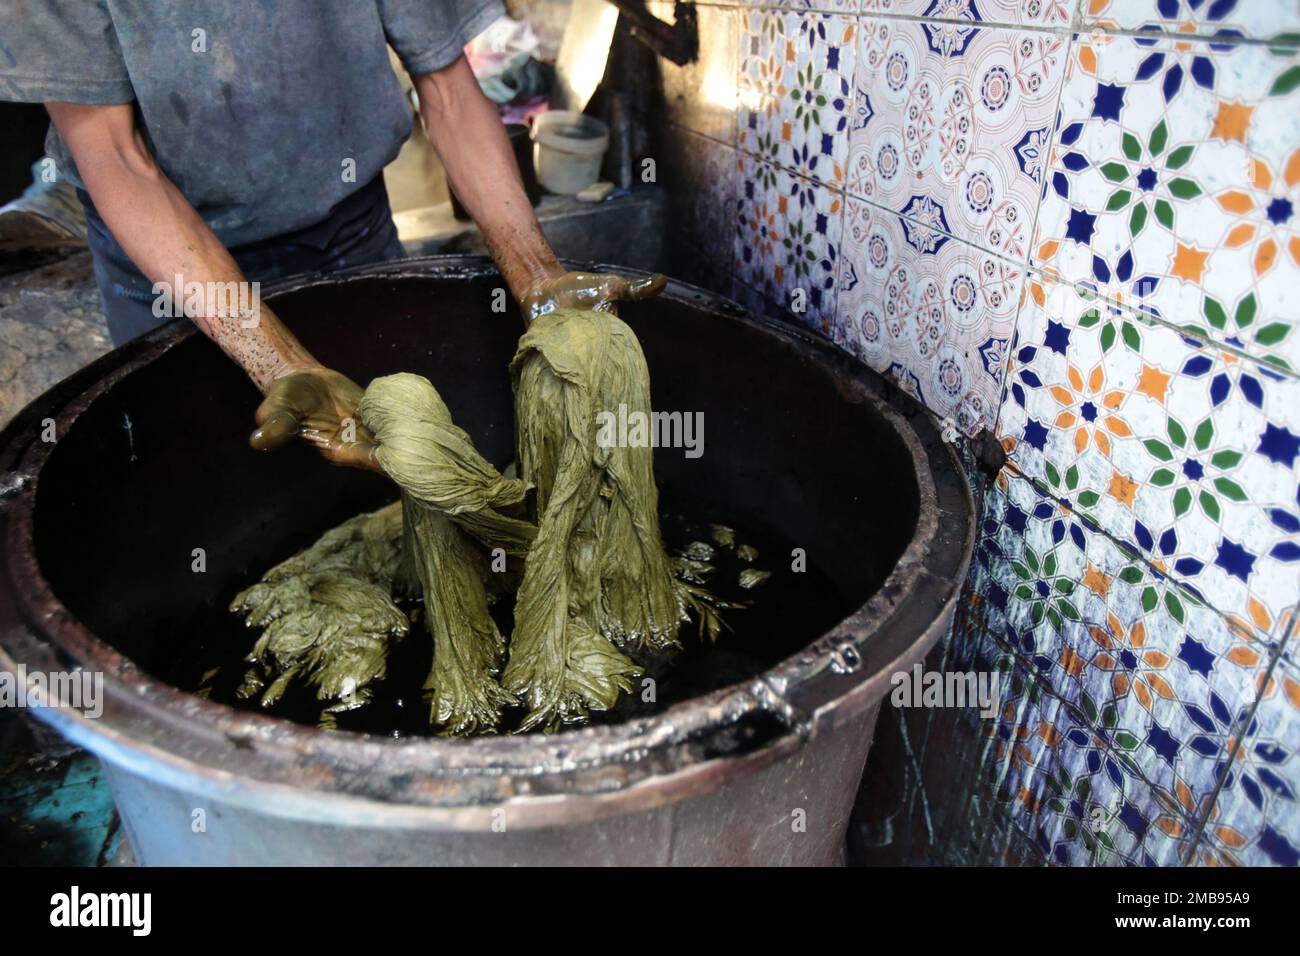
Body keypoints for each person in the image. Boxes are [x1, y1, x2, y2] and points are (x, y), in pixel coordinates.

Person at [0, 0, 663, 470]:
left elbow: (450, 90)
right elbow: (118, 160)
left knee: (389, 464)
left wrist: (535, 274)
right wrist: (279, 361)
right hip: (167, 280)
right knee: (207, 491)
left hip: (351, 239)